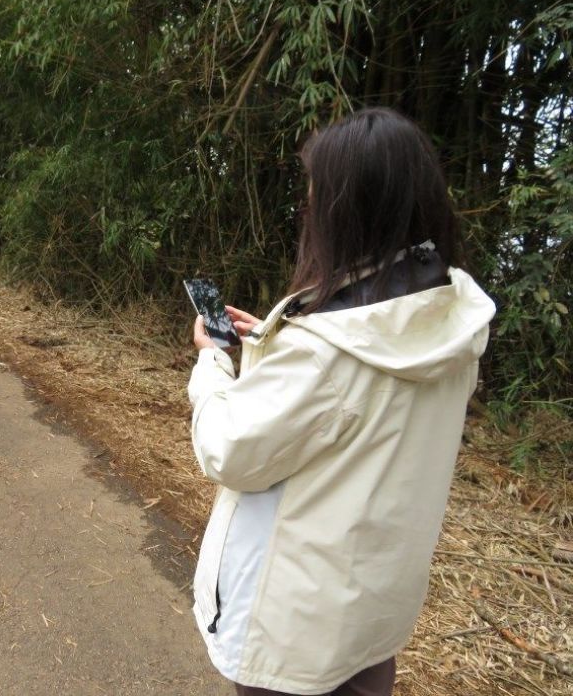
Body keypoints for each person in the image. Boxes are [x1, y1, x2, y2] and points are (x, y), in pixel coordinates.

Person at [187, 107, 496, 696]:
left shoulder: (326, 354)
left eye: (313, 200)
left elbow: (229, 449)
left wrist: (213, 362)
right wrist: (270, 346)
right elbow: (362, 416)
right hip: (370, 620)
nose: (307, 214)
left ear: (349, 212)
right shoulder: (446, 318)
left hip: (296, 632)